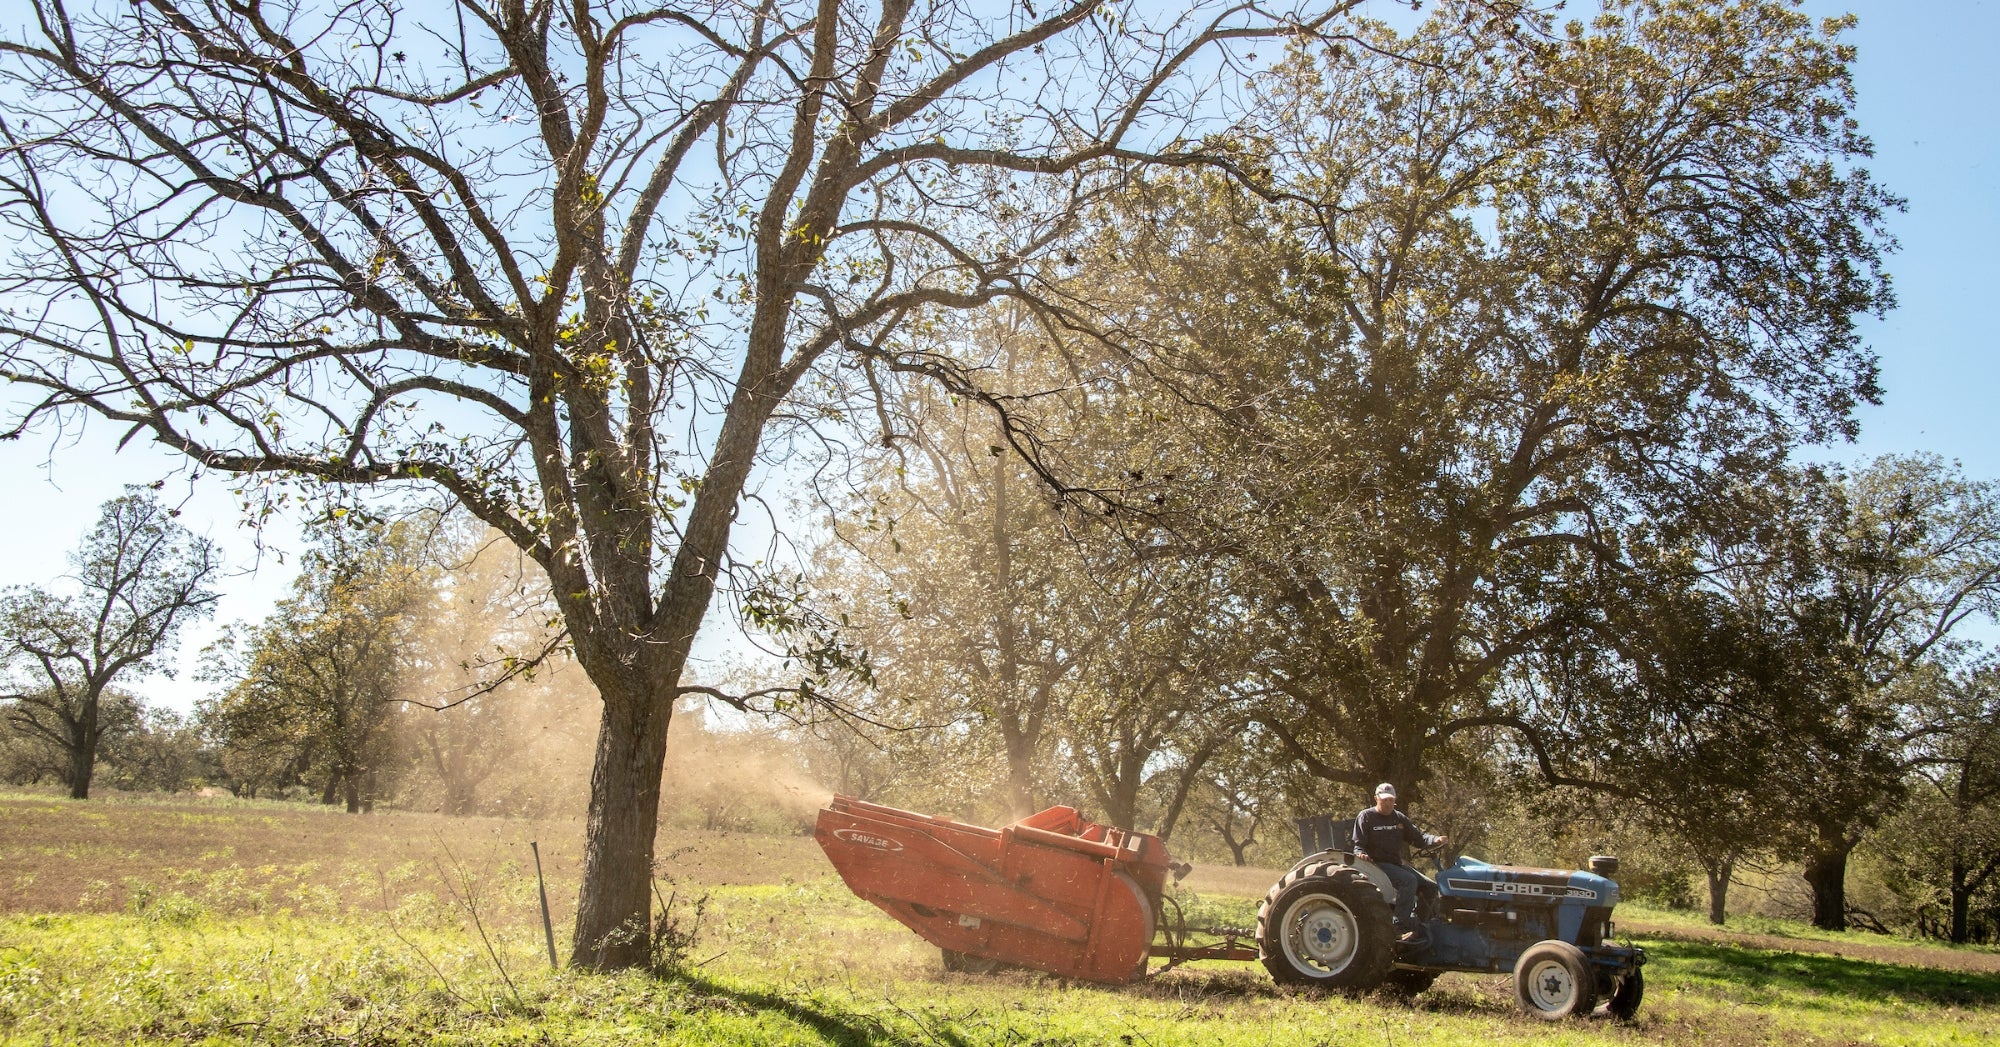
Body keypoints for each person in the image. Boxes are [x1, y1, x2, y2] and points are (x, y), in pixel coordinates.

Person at [1353, 782, 1447, 939]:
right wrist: (1362, 854)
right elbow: (1358, 845)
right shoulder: (1366, 817)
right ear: (1376, 798)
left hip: (1395, 864)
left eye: (1390, 800)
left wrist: (1435, 839)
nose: (1388, 803)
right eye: (1384, 800)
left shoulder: (1398, 818)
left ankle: (1420, 925)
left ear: (1394, 800)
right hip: (1376, 865)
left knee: (1430, 886)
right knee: (1408, 881)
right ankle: (1398, 927)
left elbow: (1419, 838)